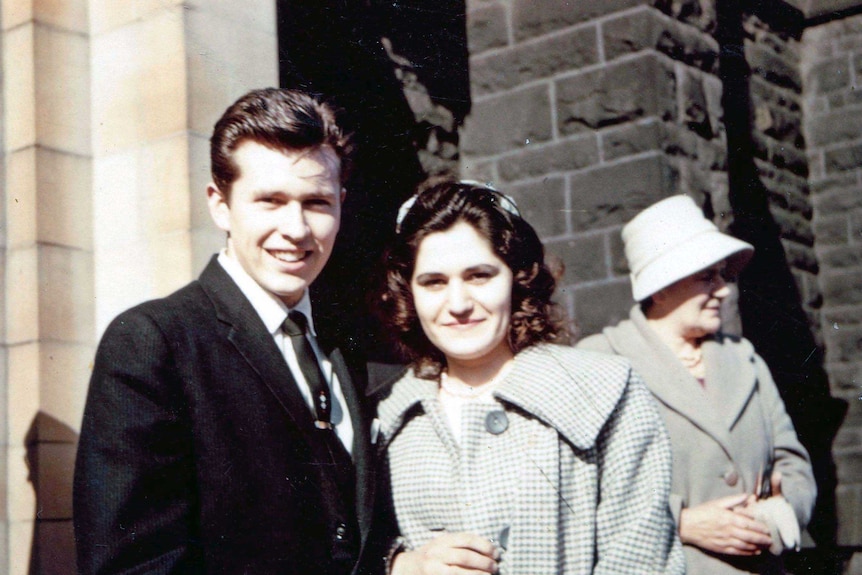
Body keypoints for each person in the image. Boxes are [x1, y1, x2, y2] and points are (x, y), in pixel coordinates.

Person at [74, 88, 379, 575]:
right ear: (220, 204)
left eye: (316, 202)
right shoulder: (154, 342)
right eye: (271, 201)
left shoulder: (352, 346)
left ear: (341, 203)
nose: (296, 229)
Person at [373, 180, 685, 574]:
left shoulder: (605, 390)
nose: (458, 304)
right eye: (434, 282)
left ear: (517, 280)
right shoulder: (386, 417)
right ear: (409, 294)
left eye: (479, 276)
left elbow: (641, 559)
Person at [578, 195, 817, 574]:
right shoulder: (600, 360)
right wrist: (681, 522)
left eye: (723, 274)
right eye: (707, 277)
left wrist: (781, 515)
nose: (724, 289)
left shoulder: (745, 358)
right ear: (660, 288)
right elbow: (580, 488)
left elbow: (792, 461)